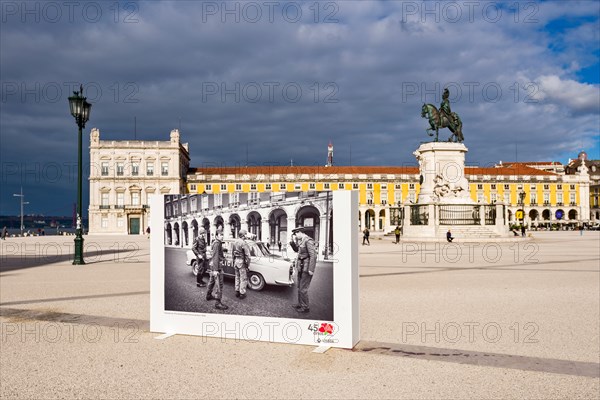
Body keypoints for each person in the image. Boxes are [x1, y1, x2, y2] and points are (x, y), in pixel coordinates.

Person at [290, 226, 317, 313]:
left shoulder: (308, 240)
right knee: (299, 287)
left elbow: (313, 255)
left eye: (296, 234)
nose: (295, 236)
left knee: (303, 288)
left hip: (306, 268)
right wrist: (292, 242)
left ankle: (305, 307)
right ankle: (300, 304)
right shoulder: (301, 240)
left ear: (300, 232)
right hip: (301, 267)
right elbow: (297, 250)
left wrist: (311, 269)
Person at [206, 228, 228, 310]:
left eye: (222, 235)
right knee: (219, 284)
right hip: (217, 267)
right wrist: (215, 270)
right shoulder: (217, 244)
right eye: (220, 235)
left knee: (211, 281)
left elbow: (217, 254)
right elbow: (215, 256)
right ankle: (218, 303)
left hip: (213, 265)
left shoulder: (217, 243)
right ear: (216, 236)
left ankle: (208, 295)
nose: (222, 236)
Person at [232, 229, 251, 299]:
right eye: (245, 234)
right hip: (241, 262)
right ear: (243, 235)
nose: (246, 235)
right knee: (243, 278)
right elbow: (248, 256)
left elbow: (232, 253)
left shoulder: (235, 242)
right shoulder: (243, 243)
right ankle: (242, 293)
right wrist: (247, 264)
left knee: (237, 277)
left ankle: (237, 291)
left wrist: (234, 261)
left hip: (236, 261)